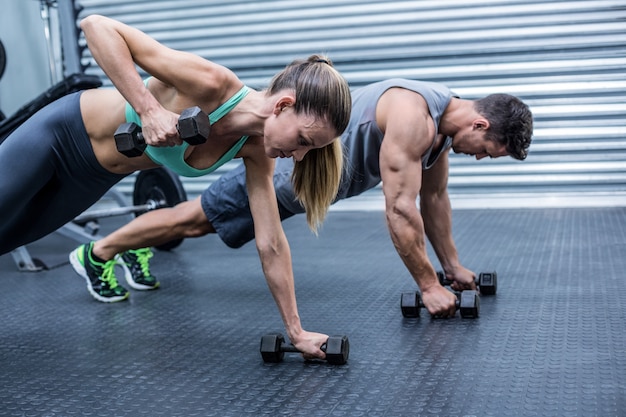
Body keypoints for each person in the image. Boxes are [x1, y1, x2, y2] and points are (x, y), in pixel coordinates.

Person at [0, 15, 352, 359]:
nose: (301, 156)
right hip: (58, 136)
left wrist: (296, 331)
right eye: (304, 140)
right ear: (283, 104)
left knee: (8, 238)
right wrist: (148, 109)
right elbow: (96, 26)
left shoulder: (256, 151)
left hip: (93, 177)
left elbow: (271, 241)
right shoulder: (210, 83)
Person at [77, 78, 533, 319]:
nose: (482, 159)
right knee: (197, 220)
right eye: (490, 153)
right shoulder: (416, 116)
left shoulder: (441, 133)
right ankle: (99, 252)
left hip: (313, 186)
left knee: (199, 221)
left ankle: (126, 251)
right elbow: (399, 208)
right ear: (481, 126)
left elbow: (434, 201)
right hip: (292, 176)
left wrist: (450, 267)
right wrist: (429, 286)